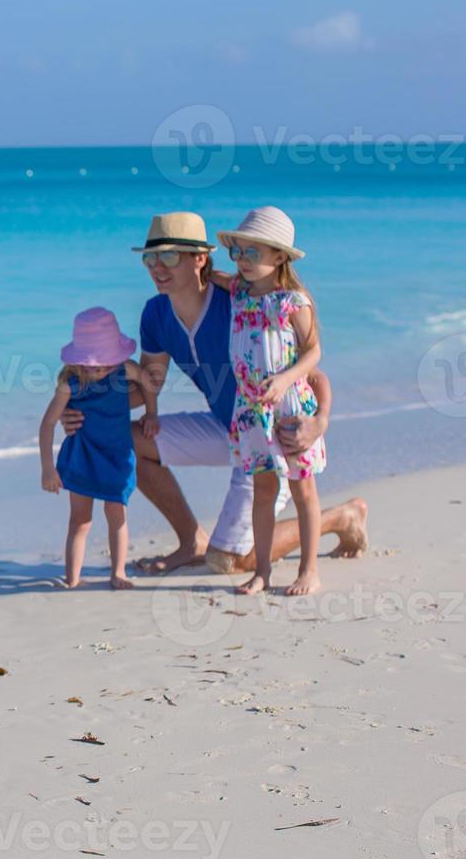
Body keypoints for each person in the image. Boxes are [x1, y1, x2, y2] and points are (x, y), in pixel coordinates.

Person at [60, 213, 367, 576]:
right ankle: (192, 541)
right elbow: (148, 387)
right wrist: (79, 408)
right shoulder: (155, 313)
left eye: (171, 257)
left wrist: (320, 421)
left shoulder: (239, 302)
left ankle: (340, 517)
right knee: (128, 439)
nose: (158, 267)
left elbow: (313, 374)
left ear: (200, 258)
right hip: (228, 428)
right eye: (150, 258)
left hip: (270, 436)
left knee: (232, 563)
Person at [220, 207, 327, 595]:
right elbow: (211, 278)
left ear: (280, 256)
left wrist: (284, 380)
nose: (243, 261)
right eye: (238, 252)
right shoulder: (238, 292)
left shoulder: (292, 302)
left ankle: (309, 570)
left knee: (303, 490)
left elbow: (313, 354)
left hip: (289, 408)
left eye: (253, 252)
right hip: (250, 413)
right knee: (262, 491)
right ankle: (262, 571)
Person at [39, 307, 159, 589]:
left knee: (117, 516)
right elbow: (47, 424)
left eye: (103, 363)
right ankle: (72, 578)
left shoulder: (124, 370)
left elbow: (148, 383)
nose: (97, 369)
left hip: (117, 456)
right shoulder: (70, 384)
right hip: (82, 457)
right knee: (80, 520)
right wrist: (47, 468)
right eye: (91, 364)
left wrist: (152, 414)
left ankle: (119, 572)